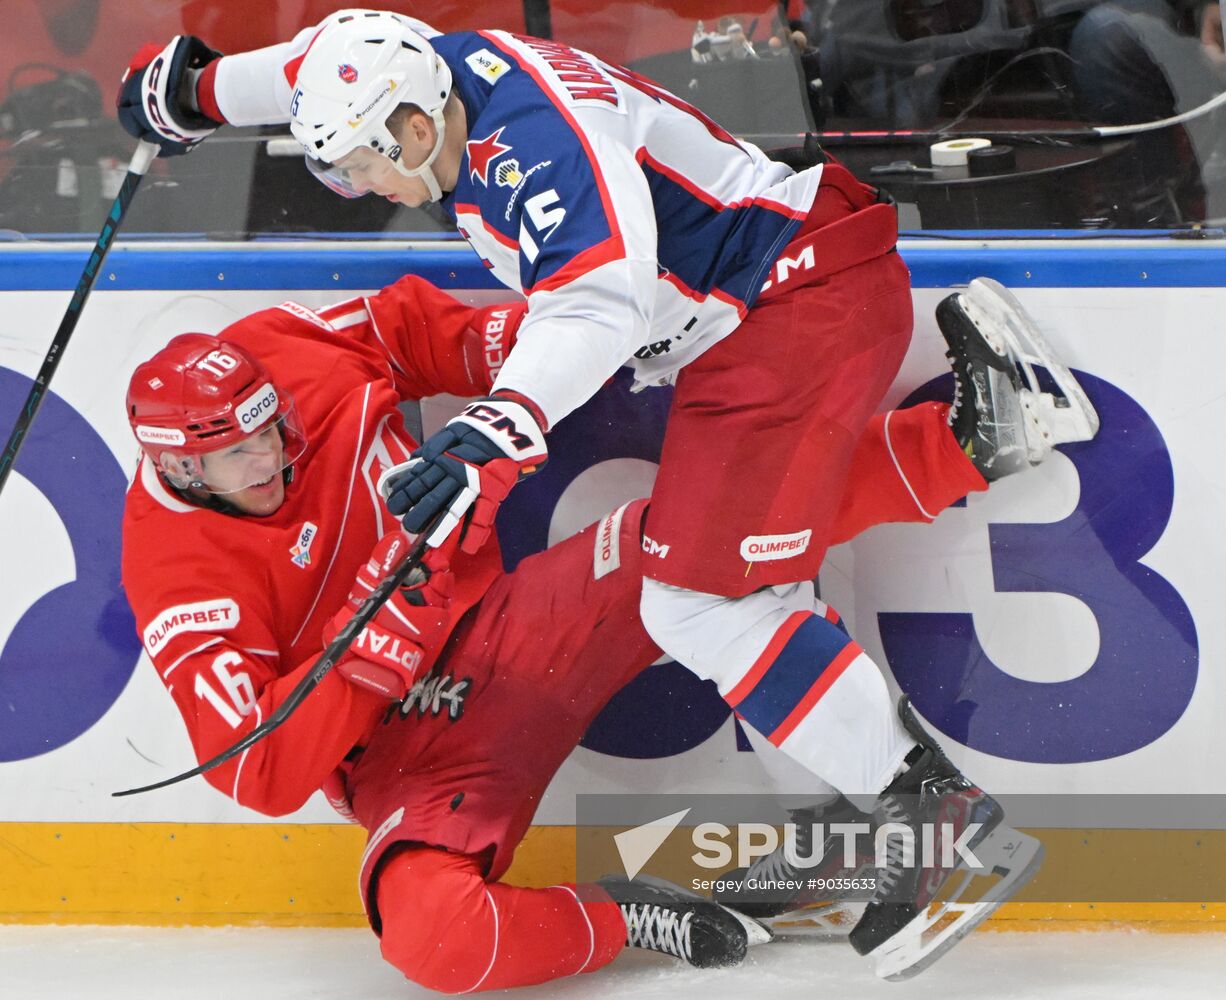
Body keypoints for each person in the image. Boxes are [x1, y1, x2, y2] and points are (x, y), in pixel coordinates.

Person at [115, 9, 1097, 977]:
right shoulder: (423, 75)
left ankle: (935, 823)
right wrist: (194, 92)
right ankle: (866, 799)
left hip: (785, 304)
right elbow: (311, 67)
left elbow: (598, 297)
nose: (360, 187)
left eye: (360, 164)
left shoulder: (535, 150)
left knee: (704, 596)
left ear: (414, 130)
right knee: (728, 574)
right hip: (759, 316)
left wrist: (496, 423)